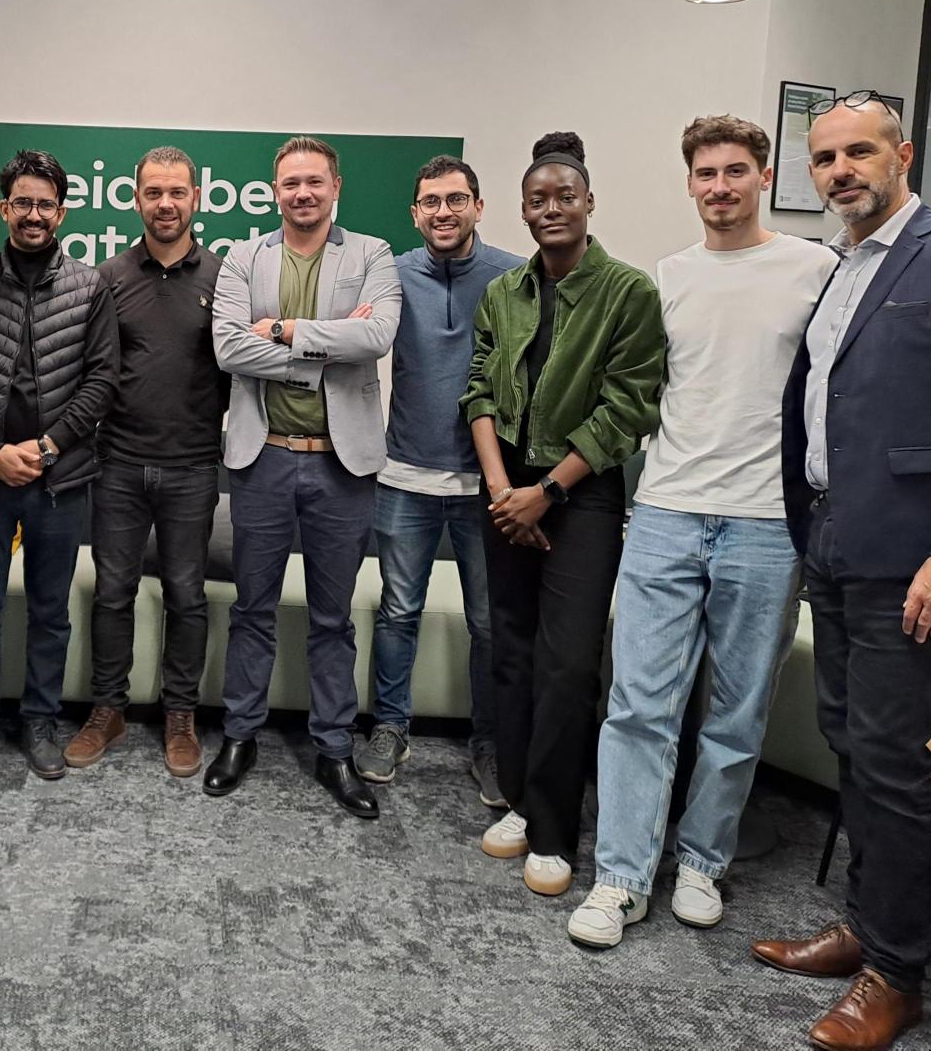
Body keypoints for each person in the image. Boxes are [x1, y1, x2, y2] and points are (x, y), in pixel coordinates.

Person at [752, 92, 931, 1051]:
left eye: (858, 153)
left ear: (903, 154)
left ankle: (898, 974)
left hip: (917, 563)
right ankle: (865, 927)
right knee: (852, 747)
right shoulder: (843, 268)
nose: (840, 172)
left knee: (893, 764)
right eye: (824, 159)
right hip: (834, 542)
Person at [568, 116, 835, 949]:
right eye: (706, 174)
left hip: (765, 521)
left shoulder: (815, 270)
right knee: (638, 707)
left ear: (763, 176)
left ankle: (701, 861)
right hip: (667, 512)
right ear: (689, 184)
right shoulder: (668, 278)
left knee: (736, 710)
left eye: (735, 171)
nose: (720, 187)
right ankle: (618, 879)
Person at [463, 131, 664, 896]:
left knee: (570, 663)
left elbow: (626, 411)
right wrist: (501, 491)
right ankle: (517, 800)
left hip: (581, 495)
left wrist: (545, 493)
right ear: (522, 209)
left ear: (589, 203)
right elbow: (479, 389)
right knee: (510, 651)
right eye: (538, 200)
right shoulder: (504, 293)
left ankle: (554, 830)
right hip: (505, 488)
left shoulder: (627, 292)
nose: (552, 209)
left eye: (564, 197)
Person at [205, 135, 400, 819]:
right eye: (290, 183)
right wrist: (322, 347)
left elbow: (375, 339)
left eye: (314, 181)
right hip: (262, 458)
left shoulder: (372, 255)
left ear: (335, 187)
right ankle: (239, 736)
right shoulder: (242, 257)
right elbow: (228, 346)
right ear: (274, 190)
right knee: (252, 609)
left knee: (331, 619)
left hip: (342, 466)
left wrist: (284, 330)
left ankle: (333, 748)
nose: (302, 193)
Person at [0, 150, 118, 780]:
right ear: (5, 208)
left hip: (59, 478)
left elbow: (102, 380)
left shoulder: (90, 286)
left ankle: (40, 720)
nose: (34, 215)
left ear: (61, 212)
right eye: (23, 203)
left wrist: (45, 448)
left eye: (46, 204)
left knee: (49, 608)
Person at [360, 154, 523, 801]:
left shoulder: (513, 277)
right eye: (430, 202)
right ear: (415, 213)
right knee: (398, 612)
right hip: (404, 477)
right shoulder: (392, 276)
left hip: (488, 485)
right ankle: (390, 728)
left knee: (488, 622)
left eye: (456, 200)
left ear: (478, 207)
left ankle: (487, 741)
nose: (443, 212)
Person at [64, 146, 227, 778]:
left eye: (177, 192)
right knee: (113, 592)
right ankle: (108, 708)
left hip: (192, 467)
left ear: (195, 198)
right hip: (119, 463)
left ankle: (180, 714)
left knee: (187, 594)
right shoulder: (107, 278)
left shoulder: (224, 276)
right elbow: (91, 372)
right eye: (153, 193)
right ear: (135, 200)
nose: (165, 203)